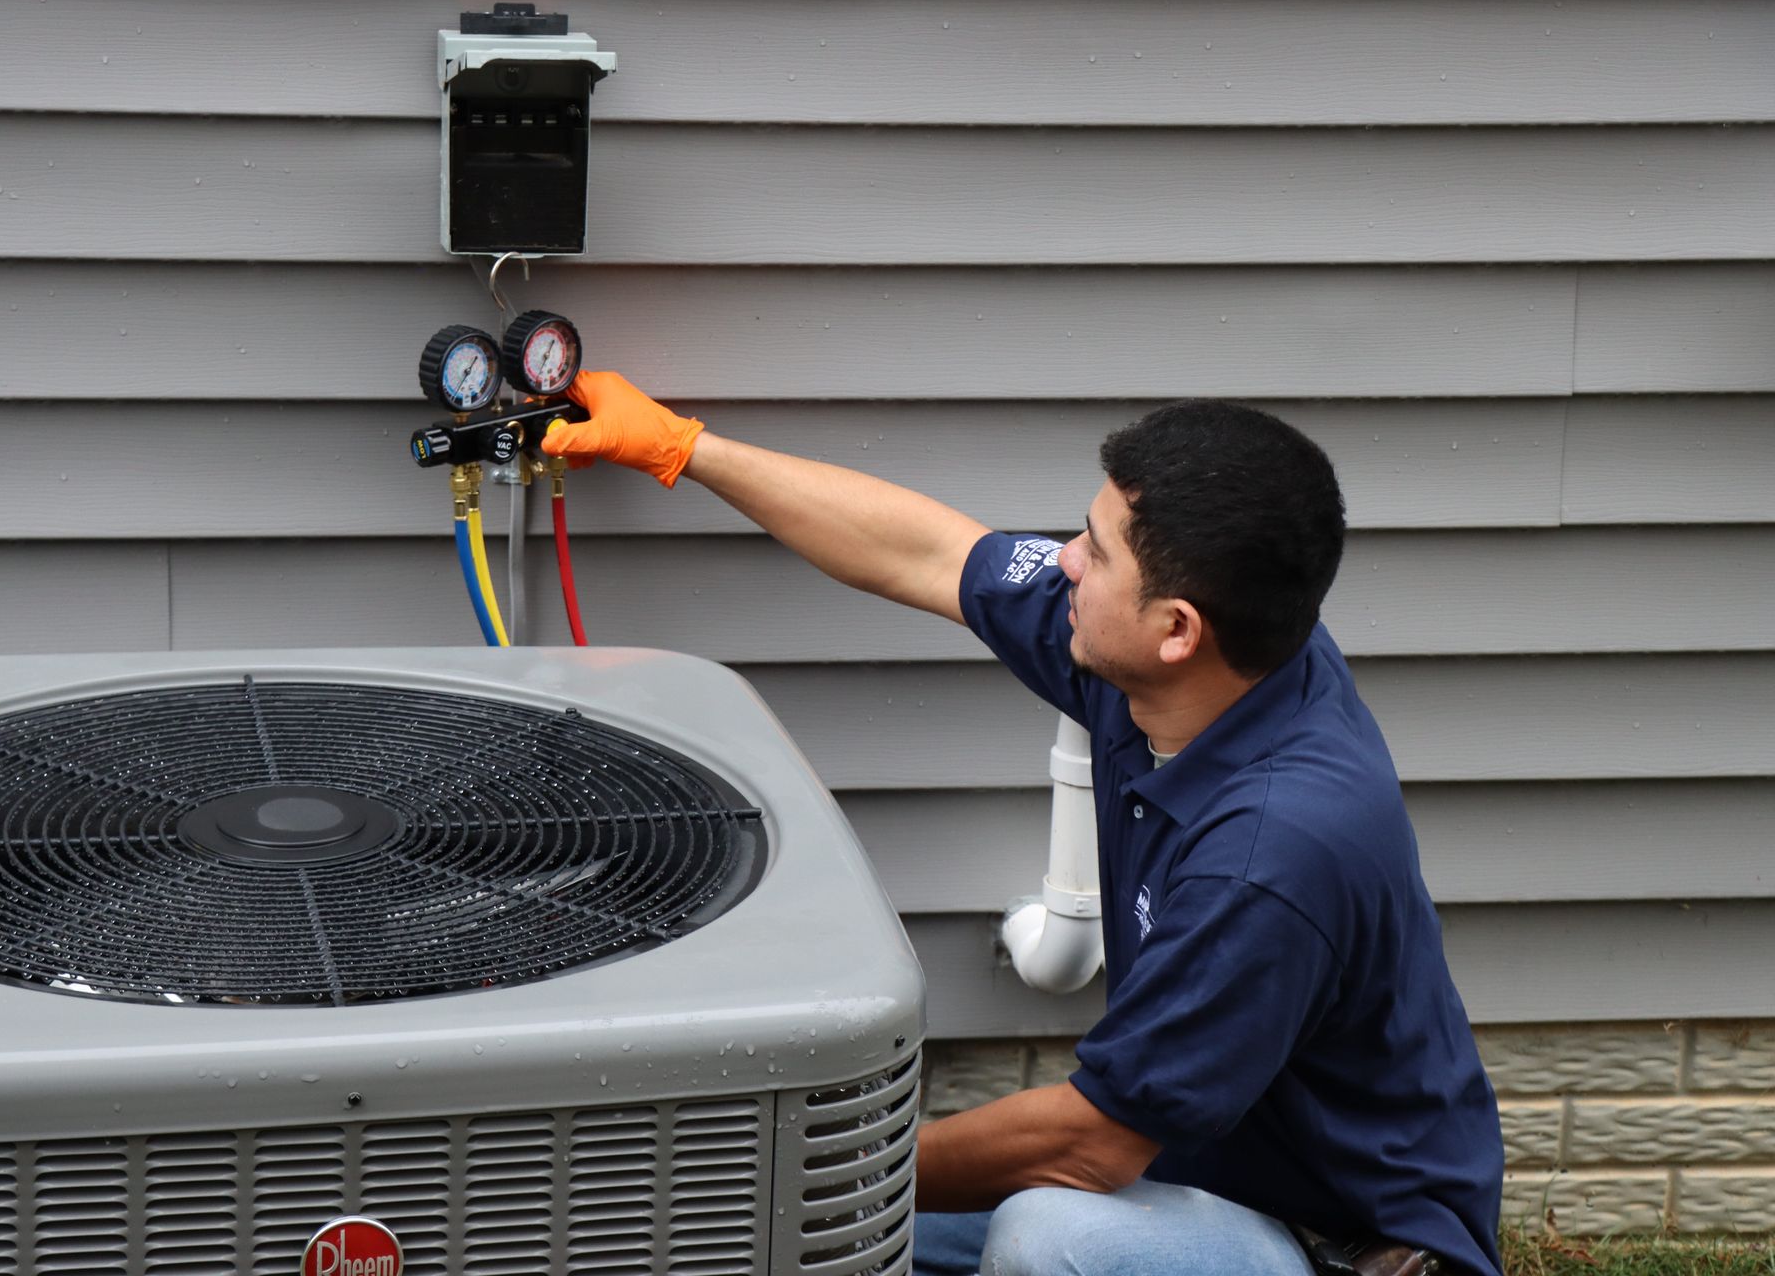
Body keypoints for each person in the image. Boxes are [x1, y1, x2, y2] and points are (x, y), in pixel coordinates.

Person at [540, 372, 1505, 1276]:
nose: (1065, 561)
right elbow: (927, 553)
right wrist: (682, 447)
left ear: (1175, 629)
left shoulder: (1268, 858)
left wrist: (800, 1171)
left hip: (1350, 1245)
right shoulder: (1210, 665)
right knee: (835, 1229)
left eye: (1096, 550)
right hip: (1209, 1179)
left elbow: (1090, 1144)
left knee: (1048, 1235)